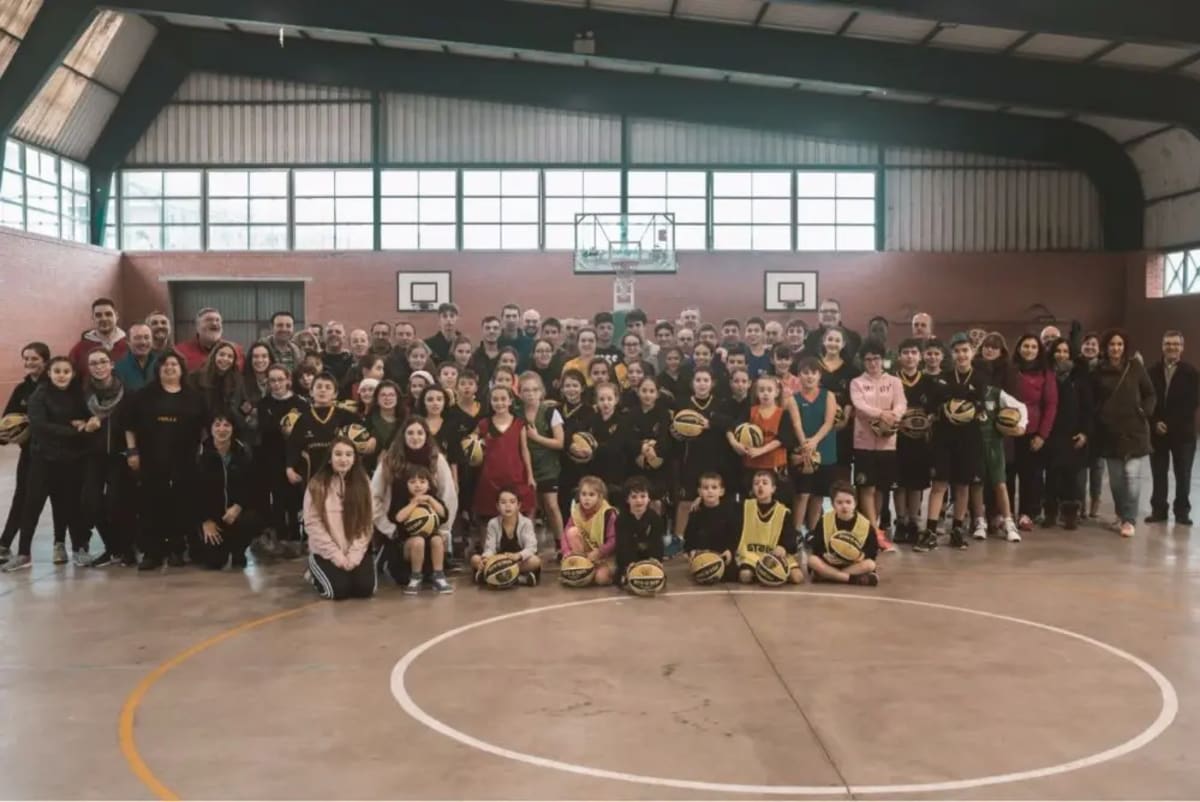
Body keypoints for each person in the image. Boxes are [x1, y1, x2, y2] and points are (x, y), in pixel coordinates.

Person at [1, 357, 89, 571]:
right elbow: (41, 427)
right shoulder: (38, 395)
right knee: (32, 506)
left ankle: (78, 549)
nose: (61, 375)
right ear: (49, 373)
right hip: (43, 460)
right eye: (56, 371)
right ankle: (24, 554)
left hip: (71, 460)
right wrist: (73, 430)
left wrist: (83, 426)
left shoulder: (78, 395)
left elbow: (86, 419)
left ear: (72, 374)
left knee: (71, 506)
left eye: (66, 371)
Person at [123, 351, 206, 571]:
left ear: (182, 369)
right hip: (151, 459)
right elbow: (129, 426)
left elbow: (205, 427)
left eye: (174, 364)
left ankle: (177, 550)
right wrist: (132, 452)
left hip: (185, 461)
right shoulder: (144, 395)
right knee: (151, 505)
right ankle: (153, 553)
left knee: (180, 505)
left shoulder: (194, 397)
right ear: (158, 370)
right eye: (165, 365)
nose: (170, 368)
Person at [915, 333, 986, 553]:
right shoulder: (942, 378)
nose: (962, 355)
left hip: (969, 438)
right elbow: (932, 409)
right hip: (943, 438)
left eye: (965, 350)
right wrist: (936, 413)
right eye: (957, 351)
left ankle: (956, 530)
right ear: (951, 354)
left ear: (972, 352)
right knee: (939, 485)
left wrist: (973, 410)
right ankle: (931, 532)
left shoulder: (981, 378)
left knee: (962, 485)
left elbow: (982, 407)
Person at [372, 417, 459, 576]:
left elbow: (449, 496)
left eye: (420, 433)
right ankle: (386, 556)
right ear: (403, 436)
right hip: (397, 531)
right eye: (410, 433)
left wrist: (444, 531)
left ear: (427, 435)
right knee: (404, 577)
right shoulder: (389, 460)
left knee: (428, 574)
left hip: (430, 530)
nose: (415, 437)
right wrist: (388, 528)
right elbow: (373, 497)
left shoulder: (436, 459)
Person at [1092, 329, 1156, 538]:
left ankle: (1129, 519)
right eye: (1112, 344)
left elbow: (1150, 393)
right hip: (1110, 433)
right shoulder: (1098, 370)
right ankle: (1121, 515)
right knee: (1117, 480)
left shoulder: (1135, 367)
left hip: (1135, 432)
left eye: (1119, 344)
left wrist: (1144, 412)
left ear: (1125, 347)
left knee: (1132, 477)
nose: (1116, 348)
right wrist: (1100, 415)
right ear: (1106, 347)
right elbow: (1094, 399)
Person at [79, 349, 134, 567]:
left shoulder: (126, 392)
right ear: (88, 368)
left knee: (118, 504)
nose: (99, 366)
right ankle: (112, 548)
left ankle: (125, 549)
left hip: (119, 456)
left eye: (103, 362)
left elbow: (133, 423)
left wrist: (132, 450)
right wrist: (83, 426)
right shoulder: (82, 393)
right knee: (91, 503)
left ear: (111, 365)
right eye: (93, 363)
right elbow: (72, 419)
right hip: (92, 456)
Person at [849, 340, 906, 548]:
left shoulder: (894, 382)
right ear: (863, 361)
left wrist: (894, 416)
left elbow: (901, 404)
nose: (872, 363)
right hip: (864, 442)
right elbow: (859, 405)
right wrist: (882, 413)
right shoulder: (857, 383)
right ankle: (872, 530)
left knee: (882, 488)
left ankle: (877, 528)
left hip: (888, 443)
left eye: (876, 358)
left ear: (883, 360)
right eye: (868, 359)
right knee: (866, 487)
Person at [304, 437, 376, 600]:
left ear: (355, 459)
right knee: (338, 592)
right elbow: (313, 524)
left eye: (348, 455)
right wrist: (336, 556)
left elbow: (367, 522)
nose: (343, 459)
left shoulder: (364, 483)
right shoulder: (317, 485)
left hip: (354, 551)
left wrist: (354, 555)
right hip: (327, 552)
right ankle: (314, 572)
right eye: (338, 454)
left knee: (364, 590)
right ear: (330, 458)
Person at [0, 342, 51, 563]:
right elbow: (7, 419)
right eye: (26, 359)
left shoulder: (55, 385)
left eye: (34, 359)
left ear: (45, 361)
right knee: (22, 497)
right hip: (29, 453)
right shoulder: (21, 389)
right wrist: (5, 435)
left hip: (55, 454)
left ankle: (75, 545)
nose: (29, 363)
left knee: (65, 502)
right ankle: (5, 543)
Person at [189, 413, 255, 570]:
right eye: (217, 425)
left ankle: (239, 550)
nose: (222, 429)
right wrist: (205, 520)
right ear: (210, 429)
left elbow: (252, 485)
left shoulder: (243, 451)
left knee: (252, 519)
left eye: (226, 425)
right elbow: (192, 492)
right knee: (214, 562)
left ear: (233, 428)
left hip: (234, 514)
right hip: (210, 517)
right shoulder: (199, 453)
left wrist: (238, 506)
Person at [256, 364, 308, 557]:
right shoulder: (264, 404)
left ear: (288, 380)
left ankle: (295, 538)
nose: (276, 384)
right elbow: (265, 430)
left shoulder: (301, 403)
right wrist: (283, 429)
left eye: (280, 379)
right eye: (272, 380)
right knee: (277, 499)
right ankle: (280, 537)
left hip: (294, 458)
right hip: (272, 457)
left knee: (294, 499)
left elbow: (303, 432)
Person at [892, 340, 940, 544]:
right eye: (905, 352)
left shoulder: (929, 382)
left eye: (914, 352)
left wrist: (928, 419)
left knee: (916, 484)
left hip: (921, 442)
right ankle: (900, 521)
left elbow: (936, 411)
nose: (910, 356)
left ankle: (914, 521)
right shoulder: (893, 381)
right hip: (897, 440)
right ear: (899, 356)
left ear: (920, 357)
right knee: (899, 484)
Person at [1147, 330, 1197, 525]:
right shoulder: (1151, 371)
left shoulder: (1191, 372)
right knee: (1159, 473)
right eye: (1168, 343)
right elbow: (1146, 400)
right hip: (1157, 433)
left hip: (1183, 434)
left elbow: (1192, 402)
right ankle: (1159, 511)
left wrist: (1170, 424)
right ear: (1162, 346)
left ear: (1182, 348)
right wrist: (1154, 422)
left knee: (1183, 474)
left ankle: (1182, 512)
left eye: (1176, 344)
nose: (1172, 347)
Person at [1009, 335, 1058, 531]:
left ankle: (1026, 514)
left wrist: (1042, 435)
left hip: (1032, 432)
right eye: (1025, 346)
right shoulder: (1010, 370)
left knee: (1030, 476)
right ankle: (1006, 514)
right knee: (1007, 474)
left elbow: (1051, 405)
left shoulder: (1046, 374)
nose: (1029, 350)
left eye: (1033, 347)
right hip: (1009, 430)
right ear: (1019, 348)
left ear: (1039, 351)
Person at [1044, 338, 1094, 530]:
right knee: (1051, 476)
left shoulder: (1080, 377)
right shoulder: (1047, 375)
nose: (1062, 355)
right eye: (1058, 351)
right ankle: (1049, 513)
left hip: (1073, 435)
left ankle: (1070, 515)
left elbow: (1088, 409)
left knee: (1071, 478)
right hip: (1051, 433)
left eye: (1066, 351)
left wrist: (1085, 433)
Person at [473, 385, 536, 525]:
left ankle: (524, 546)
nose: (499, 403)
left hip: (516, 475)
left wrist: (530, 475)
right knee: (488, 520)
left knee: (521, 515)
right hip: (490, 478)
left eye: (503, 399)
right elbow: (471, 445)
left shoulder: (519, 423)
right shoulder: (483, 424)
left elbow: (525, 450)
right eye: (495, 399)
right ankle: (488, 547)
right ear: (490, 402)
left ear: (510, 401)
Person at [386, 464, 453, 595]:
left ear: (429, 485)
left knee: (437, 539)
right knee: (418, 541)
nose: (418, 485)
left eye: (422, 482)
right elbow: (398, 518)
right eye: (412, 482)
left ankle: (438, 575)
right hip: (407, 547)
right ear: (406, 484)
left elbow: (443, 514)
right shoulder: (403, 501)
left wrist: (430, 499)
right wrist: (414, 503)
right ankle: (415, 577)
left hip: (429, 547)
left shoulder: (433, 500)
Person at [518, 372, 565, 551]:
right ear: (520, 393)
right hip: (525, 466)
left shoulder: (551, 412)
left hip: (548, 468)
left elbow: (560, 443)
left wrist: (536, 437)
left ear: (541, 391)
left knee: (552, 507)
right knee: (530, 508)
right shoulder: (516, 412)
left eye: (535, 389)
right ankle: (530, 547)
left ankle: (561, 546)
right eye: (526, 390)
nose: (531, 393)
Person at [806, 481, 880, 586]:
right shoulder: (824, 520)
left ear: (855, 503)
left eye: (848, 502)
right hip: (831, 563)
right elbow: (817, 546)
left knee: (870, 565)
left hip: (853, 564)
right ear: (833, 504)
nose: (844, 506)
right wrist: (824, 555)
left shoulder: (865, 524)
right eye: (839, 502)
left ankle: (828, 576)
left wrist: (861, 556)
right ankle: (850, 579)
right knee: (812, 560)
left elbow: (872, 550)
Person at [734, 470, 801, 585]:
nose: (760, 485)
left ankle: (769, 573)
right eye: (756, 483)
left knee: (797, 577)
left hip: (775, 555)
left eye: (765, 483)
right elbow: (722, 505)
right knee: (745, 576)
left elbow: (790, 536)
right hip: (751, 554)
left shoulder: (783, 511)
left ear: (773, 489)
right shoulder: (745, 506)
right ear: (752, 489)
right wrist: (700, 500)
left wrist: (783, 547)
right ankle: (765, 573)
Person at [470, 486, 541, 586]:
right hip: (498, 561)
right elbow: (490, 548)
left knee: (535, 561)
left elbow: (531, 547)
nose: (508, 506)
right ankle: (519, 579)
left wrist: (518, 556)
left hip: (517, 562)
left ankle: (491, 577)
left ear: (518, 505)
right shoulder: (493, 523)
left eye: (512, 502)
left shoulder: (526, 523)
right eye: (503, 502)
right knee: (475, 559)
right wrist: (486, 558)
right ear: (497, 506)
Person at [561, 475, 618, 587]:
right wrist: (566, 552)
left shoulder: (608, 513)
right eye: (584, 494)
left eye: (591, 495)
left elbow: (613, 540)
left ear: (600, 496)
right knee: (572, 532)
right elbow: (565, 533)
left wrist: (599, 552)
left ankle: (597, 572)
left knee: (601, 579)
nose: (587, 498)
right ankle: (582, 567)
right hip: (585, 554)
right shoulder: (576, 511)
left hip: (605, 555)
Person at [682, 472, 739, 578]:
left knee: (733, 575)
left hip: (722, 554)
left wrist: (730, 550)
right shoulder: (696, 513)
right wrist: (690, 551)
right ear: (699, 492)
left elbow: (734, 535)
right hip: (703, 555)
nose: (710, 491)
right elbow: (689, 536)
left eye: (714, 487)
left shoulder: (729, 512)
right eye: (705, 488)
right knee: (702, 574)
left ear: (721, 491)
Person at [614, 477, 666, 589]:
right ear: (627, 499)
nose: (639, 501)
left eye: (643, 496)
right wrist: (629, 564)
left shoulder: (655, 519)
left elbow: (657, 543)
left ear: (649, 498)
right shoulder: (621, 520)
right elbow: (622, 546)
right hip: (629, 561)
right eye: (634, 497)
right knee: (624, 582)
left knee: (657, 581)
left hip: (648, 559)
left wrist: (655, 560)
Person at [68, 297, 128, 375]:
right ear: (93, 318)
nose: (104, 318)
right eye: (98, 315)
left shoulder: (129, 346)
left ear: (116, 316)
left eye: (108, 314)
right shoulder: (78, 350)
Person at [176, 308, 244, 373]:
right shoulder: (180, 352)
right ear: (197, 326)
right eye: (208, 320)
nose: (214, 323)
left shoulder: (236, 350)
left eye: (218, 320)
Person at [114, 324, 158, 392]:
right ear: (128, 341)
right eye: (137, 338)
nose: (143, 342)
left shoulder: (161, 363)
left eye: (146, 337)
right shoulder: (118, 368)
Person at [469, 316, 503, 387]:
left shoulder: (505, 356)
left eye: (495, 328)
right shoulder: (473, 357)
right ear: (482, 331)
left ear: (500, 331)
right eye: (487, 328)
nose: (491, 331)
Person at [499, 303, 534, 367]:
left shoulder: (529, 343)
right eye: (508, 316)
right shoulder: (496, 342)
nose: (511, 320)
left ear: (519, 318)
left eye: (514, 316)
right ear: (502, 318)